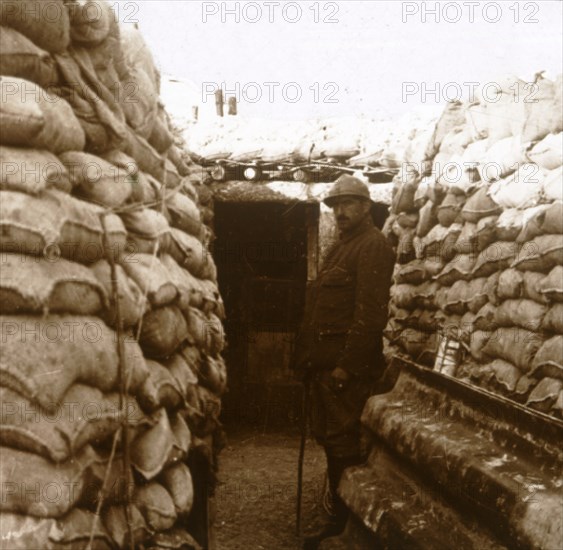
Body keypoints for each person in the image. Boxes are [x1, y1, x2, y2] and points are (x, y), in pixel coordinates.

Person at [294, 175, 396, 549]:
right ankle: (337, 518)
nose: (339, 212)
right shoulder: (340, 247)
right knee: (331, 442)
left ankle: (346, 524)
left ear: (366, 207)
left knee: (345, 446)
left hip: (345, 373)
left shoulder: (372, 246)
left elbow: (370, 316)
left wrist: (347, 367)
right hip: (324, 368)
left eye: (347, 204)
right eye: (334, 205)